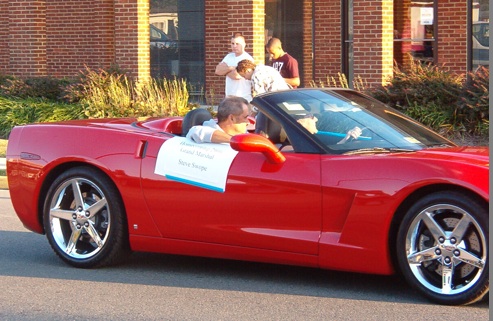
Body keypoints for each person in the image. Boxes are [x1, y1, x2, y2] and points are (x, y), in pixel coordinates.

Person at [186, 96, 250, 144]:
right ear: (231, 118)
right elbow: (196, 132)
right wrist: (236, 141)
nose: (248, 122)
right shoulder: (201, 131)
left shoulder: (245, 135)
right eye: (245, 117)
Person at [215, 33, 254, 102]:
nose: (234, 46)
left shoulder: (247, 59)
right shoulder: (229, 56)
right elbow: (217, 71)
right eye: (232, 43)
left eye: (237, 44)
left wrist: (225, 70)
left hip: (243, 97)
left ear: (244, 44)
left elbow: (236, 76)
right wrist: (231, 68)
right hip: (229, 97)